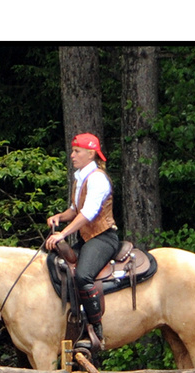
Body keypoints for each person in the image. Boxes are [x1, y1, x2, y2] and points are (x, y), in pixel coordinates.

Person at [45, 132, 119, 354]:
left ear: (90, 153)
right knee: (58, 266)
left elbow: (88, 213)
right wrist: (60, 216)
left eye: (77, 151)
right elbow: (75, 211)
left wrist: (62, 234)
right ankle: (74, 321)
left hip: (104, 237)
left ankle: (96, 329)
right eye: (73, 150)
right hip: (87, 238)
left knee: (83, 275)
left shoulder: (97, 178)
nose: (72, 155)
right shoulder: (80, 177)